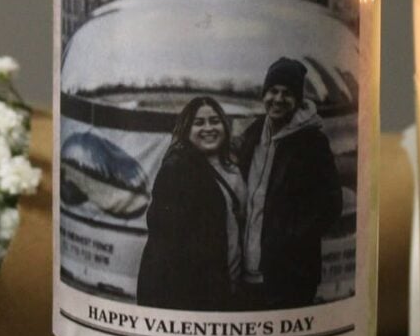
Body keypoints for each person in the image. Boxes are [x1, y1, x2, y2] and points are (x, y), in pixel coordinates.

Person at [234, 57, 343, 309]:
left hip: (290, 275)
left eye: (287, 93)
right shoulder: (253, 133)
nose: (278, 99)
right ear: (264, 93)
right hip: (248, 274)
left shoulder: (312, 143)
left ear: (298, 99)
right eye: (273, 91)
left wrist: (288, 241)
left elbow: (331, 204)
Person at [136, 96, 246, 311]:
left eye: (215, 121)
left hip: (231, 281)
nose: (209, 128)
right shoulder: (177, 170)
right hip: (195, 292)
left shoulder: (233, 166)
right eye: (199, 123)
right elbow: (166, 241)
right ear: (186, 129)